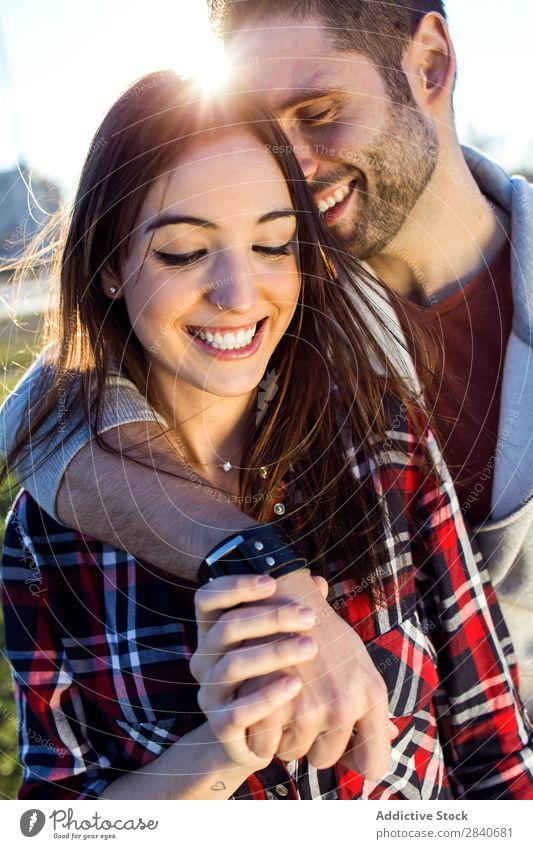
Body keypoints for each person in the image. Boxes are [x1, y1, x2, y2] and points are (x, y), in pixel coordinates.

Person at [1, 0, 532, 758]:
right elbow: (41, 416)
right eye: (261, 120)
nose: (286, 160)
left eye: (317, 112)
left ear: (429, 65)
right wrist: (255, 562)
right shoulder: (272, 312)